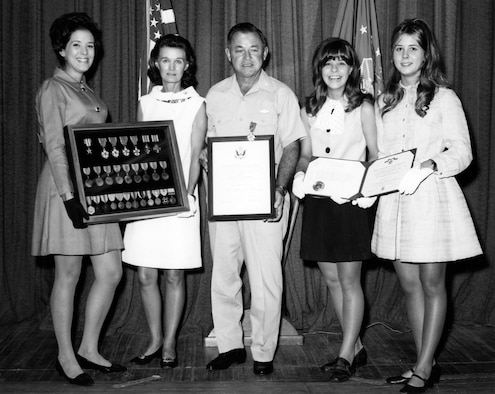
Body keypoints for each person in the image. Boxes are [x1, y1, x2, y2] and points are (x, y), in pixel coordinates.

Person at [372, 18, 482, 393]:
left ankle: (421, 368)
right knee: (408, 284)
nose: (405, 55)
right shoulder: (384, 100)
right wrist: (371, 184)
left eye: (412, 49)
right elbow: (382, 154)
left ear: (425, 54)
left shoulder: (444, 97)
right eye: (399, 48)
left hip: (431, 198)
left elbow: (463, 151)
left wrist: (431, 165)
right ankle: (426, 361)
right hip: (396, 202)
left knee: (432, 283)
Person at [204, 22, 305, 375]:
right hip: (224, 202)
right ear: (228, 54)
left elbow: (292, 146)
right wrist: (204, 155)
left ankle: (263, 351)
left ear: (265, 53)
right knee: (225, 275)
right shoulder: (214, 96)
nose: (247, 57)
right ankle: (230, 346)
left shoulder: (281, 95)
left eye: (254, 50)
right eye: (239, 50)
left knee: (266, 280)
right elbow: (207, 145)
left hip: (267, 202)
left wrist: (279, 190)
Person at [31, 12, 126, 386]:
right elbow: (55, 146)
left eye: (90, 45)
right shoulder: (53, 88)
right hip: (64, 189)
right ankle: (66, 356)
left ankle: (89, 347)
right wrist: (70, 196)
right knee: (69, 274)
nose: (85, 52)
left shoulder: (85, 89)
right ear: (61, 49)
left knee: (111, 271)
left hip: (97, 189)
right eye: (76, 45)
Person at [291, 38, 378, 382]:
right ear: (320, 69)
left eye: (342, 63)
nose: (335, 70)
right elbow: (306, 152)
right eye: (329, 63)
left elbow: (374, 152)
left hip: (352, 201)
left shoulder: (364, 106)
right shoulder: (308, 107)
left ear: (352, 69)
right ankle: (354, 345)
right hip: (319, 198)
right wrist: (299, 173)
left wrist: (364, 188)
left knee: (349, 278)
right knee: (331, 278)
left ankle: (344, 354)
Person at [123, 34, 206, 368]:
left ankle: (170, 343)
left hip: (181, 200)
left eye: (179, 60)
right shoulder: (146, 101)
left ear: (187, 66)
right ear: (156, 63)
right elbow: (141, 152)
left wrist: (184, 195)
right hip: (148, 200)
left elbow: (195, 153)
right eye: (166, 60)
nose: (172, 67)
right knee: (145, 275)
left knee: (173, 275)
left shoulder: (197, 102)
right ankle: (154, 338)